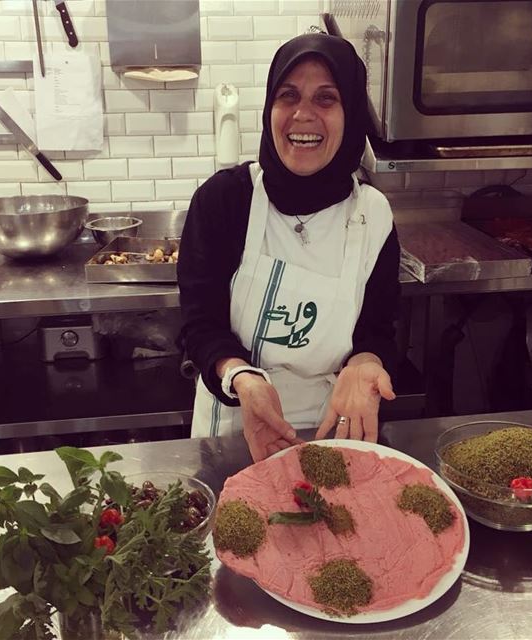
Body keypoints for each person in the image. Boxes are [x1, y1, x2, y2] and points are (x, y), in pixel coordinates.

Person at [177, 32, 401, 462]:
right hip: (235, 421)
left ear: (351, 113)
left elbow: (378, 328)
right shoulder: (225, 200)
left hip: (332, 428)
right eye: (289, 95)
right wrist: (241, 376)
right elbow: (200, 326)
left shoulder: (372, 215)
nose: (303, 115)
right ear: (270, 107)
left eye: (326, 99)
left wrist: (366, 364)